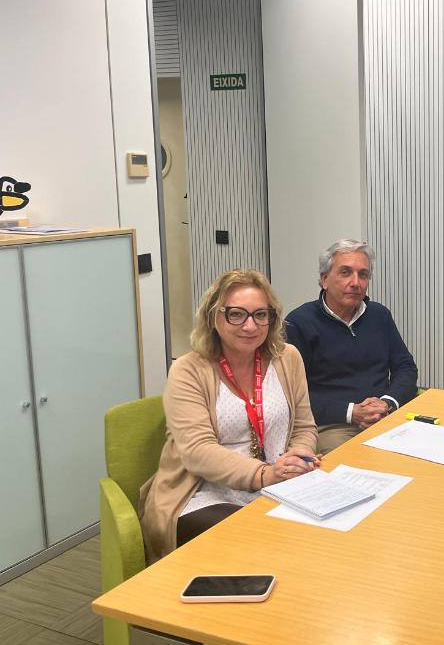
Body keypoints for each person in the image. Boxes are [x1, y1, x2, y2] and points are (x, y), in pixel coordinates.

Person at [139, 270, 319, 564]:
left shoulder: (288, 358)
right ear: (214, 316)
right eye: (236, 314)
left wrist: (300, 454)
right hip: (202, 493)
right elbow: (198, 452)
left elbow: (303, 426)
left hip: (278, 484)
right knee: (260, 539)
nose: (250, 326)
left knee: (324, 535)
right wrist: (264, 474)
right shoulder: (188, 370)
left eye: (260, 315)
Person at [285, 239, 418, 453]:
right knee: (362, 460)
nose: (356, 282)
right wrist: (351, 412)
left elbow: (406, 368)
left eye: (363, 274)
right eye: (345, 272)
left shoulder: (379, 315)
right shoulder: (299, 322)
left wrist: (387, 403)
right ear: (324, 279)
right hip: (333, 424)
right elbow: (291, 394)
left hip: (384, 416)